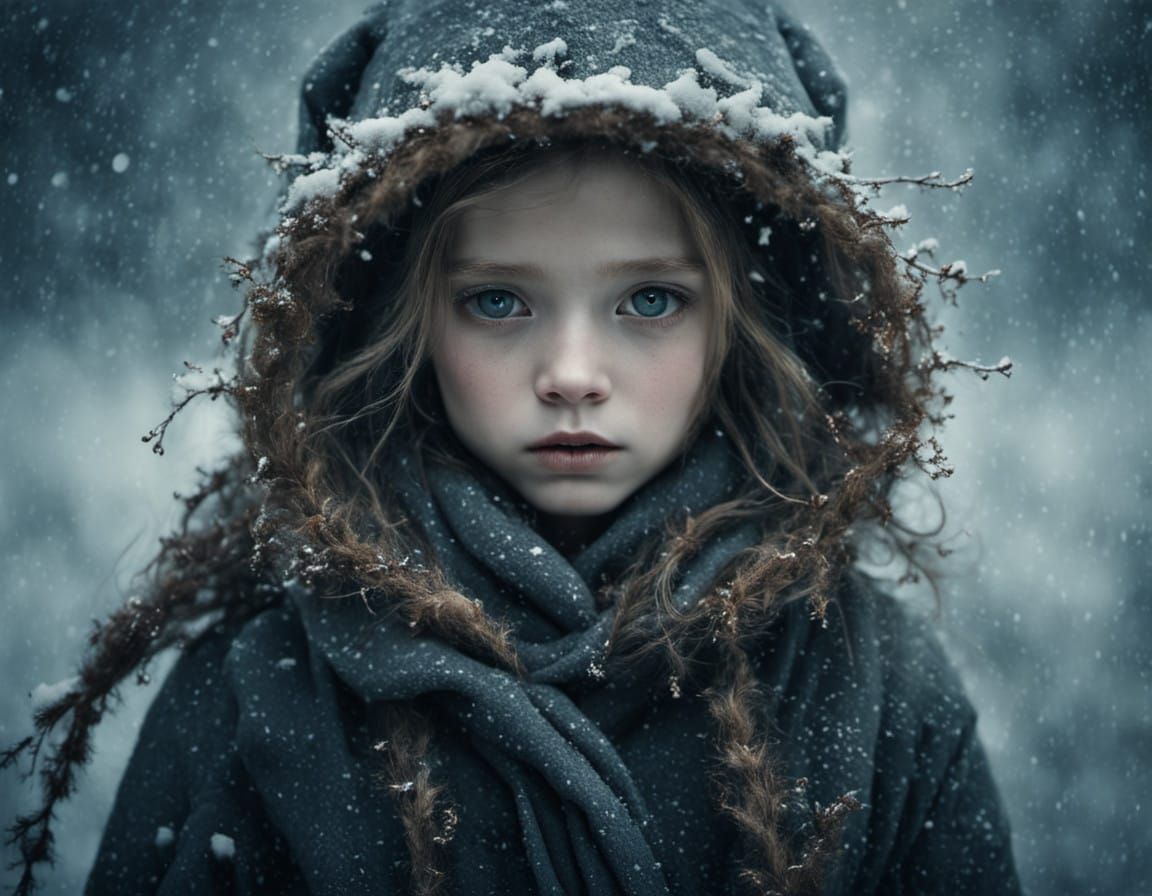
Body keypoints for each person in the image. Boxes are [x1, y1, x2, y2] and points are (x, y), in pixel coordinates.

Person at [5, 1, 1020, 893]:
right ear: (403, 322)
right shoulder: (260, 691)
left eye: (650, 299)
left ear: (742, 324)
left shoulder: (872, 687)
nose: (572, 370)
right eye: (499, 300)